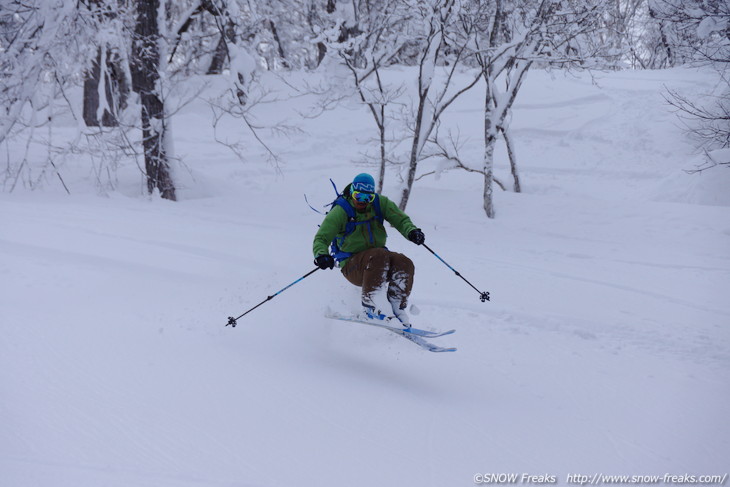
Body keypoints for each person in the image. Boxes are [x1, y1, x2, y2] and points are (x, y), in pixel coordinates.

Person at [312, 173, 425, 326]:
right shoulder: (341, 210)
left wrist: (411, 231)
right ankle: (372, 303)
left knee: (404, 262)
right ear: (352, 192)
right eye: (358, 196)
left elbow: (400, 219)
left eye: (367, 198)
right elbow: (321, 238)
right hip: (353, 266)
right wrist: (322, 255)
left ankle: (396, 306)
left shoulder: (380, 203)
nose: (362, 202)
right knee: (379, 255)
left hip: (378, 264)